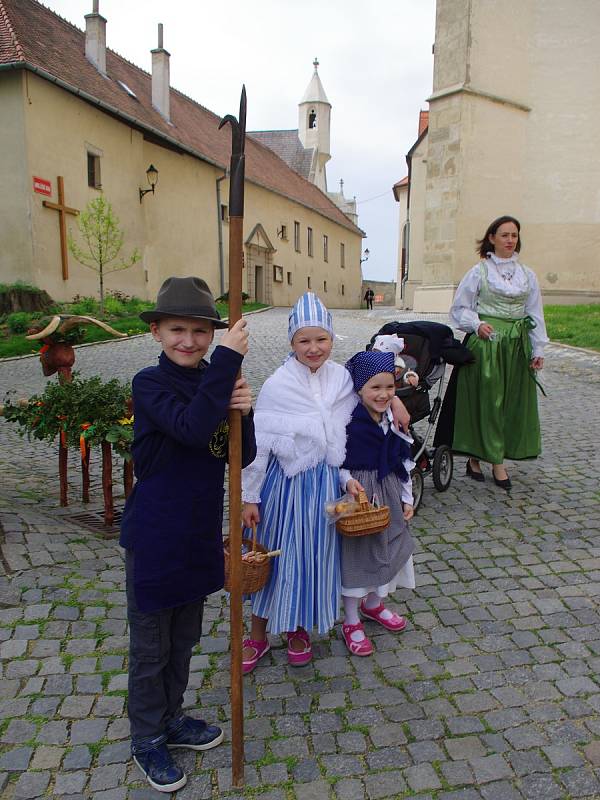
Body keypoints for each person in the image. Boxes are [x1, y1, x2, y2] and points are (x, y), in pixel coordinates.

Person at [119, 276, 256, 793]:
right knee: (151, 647)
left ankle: (172, 718)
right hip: (155, 537)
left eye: (202, 331)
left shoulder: (214, 383)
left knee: (183, 640)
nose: (190, 341)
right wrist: (224, 368)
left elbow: (239, 454)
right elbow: (191, 429)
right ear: (156, 331)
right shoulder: (148, 384)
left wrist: (245, 412)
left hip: (198, 534)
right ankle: (147, 739)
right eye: (178, 329)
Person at [240, 292, 410, 674]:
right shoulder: (278, 384)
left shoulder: (342, 380)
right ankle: (258, 634)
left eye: (321, 339)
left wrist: (396, 401)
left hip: (324, 487)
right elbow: (258, 445)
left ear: (333, 339)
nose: (313, 348)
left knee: (312, 561)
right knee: (273, 561)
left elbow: (370, 398)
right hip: (285, 487)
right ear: (291, 342)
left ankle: (298, 630)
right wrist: (249, 496)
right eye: (304, 340)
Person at [434, 215, 548, 490]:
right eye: (505, 235)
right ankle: (497, 462)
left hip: (516, 347)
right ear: (492, 238)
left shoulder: (526, 275)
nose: (510, 240)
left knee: (509, 403)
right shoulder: (480, 272)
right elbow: (459, 309)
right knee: (488, 404)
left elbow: (535, 312)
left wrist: (538, 347)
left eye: (514, 235)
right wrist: (477, 324)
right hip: (488, 345)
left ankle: (476, 458)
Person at [339, 350, 415, 655]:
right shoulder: (349, 422)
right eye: (375, 388)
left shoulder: (392, 420)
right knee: (356, 553)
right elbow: (336, 460)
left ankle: (374, 603)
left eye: (389, 388)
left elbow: (402, 459)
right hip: (357, 493)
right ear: (360, 389)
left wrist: (407, 497)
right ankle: (351, 619)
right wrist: (346, 482)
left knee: (388, 544)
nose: (383, 395)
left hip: (388, 489)